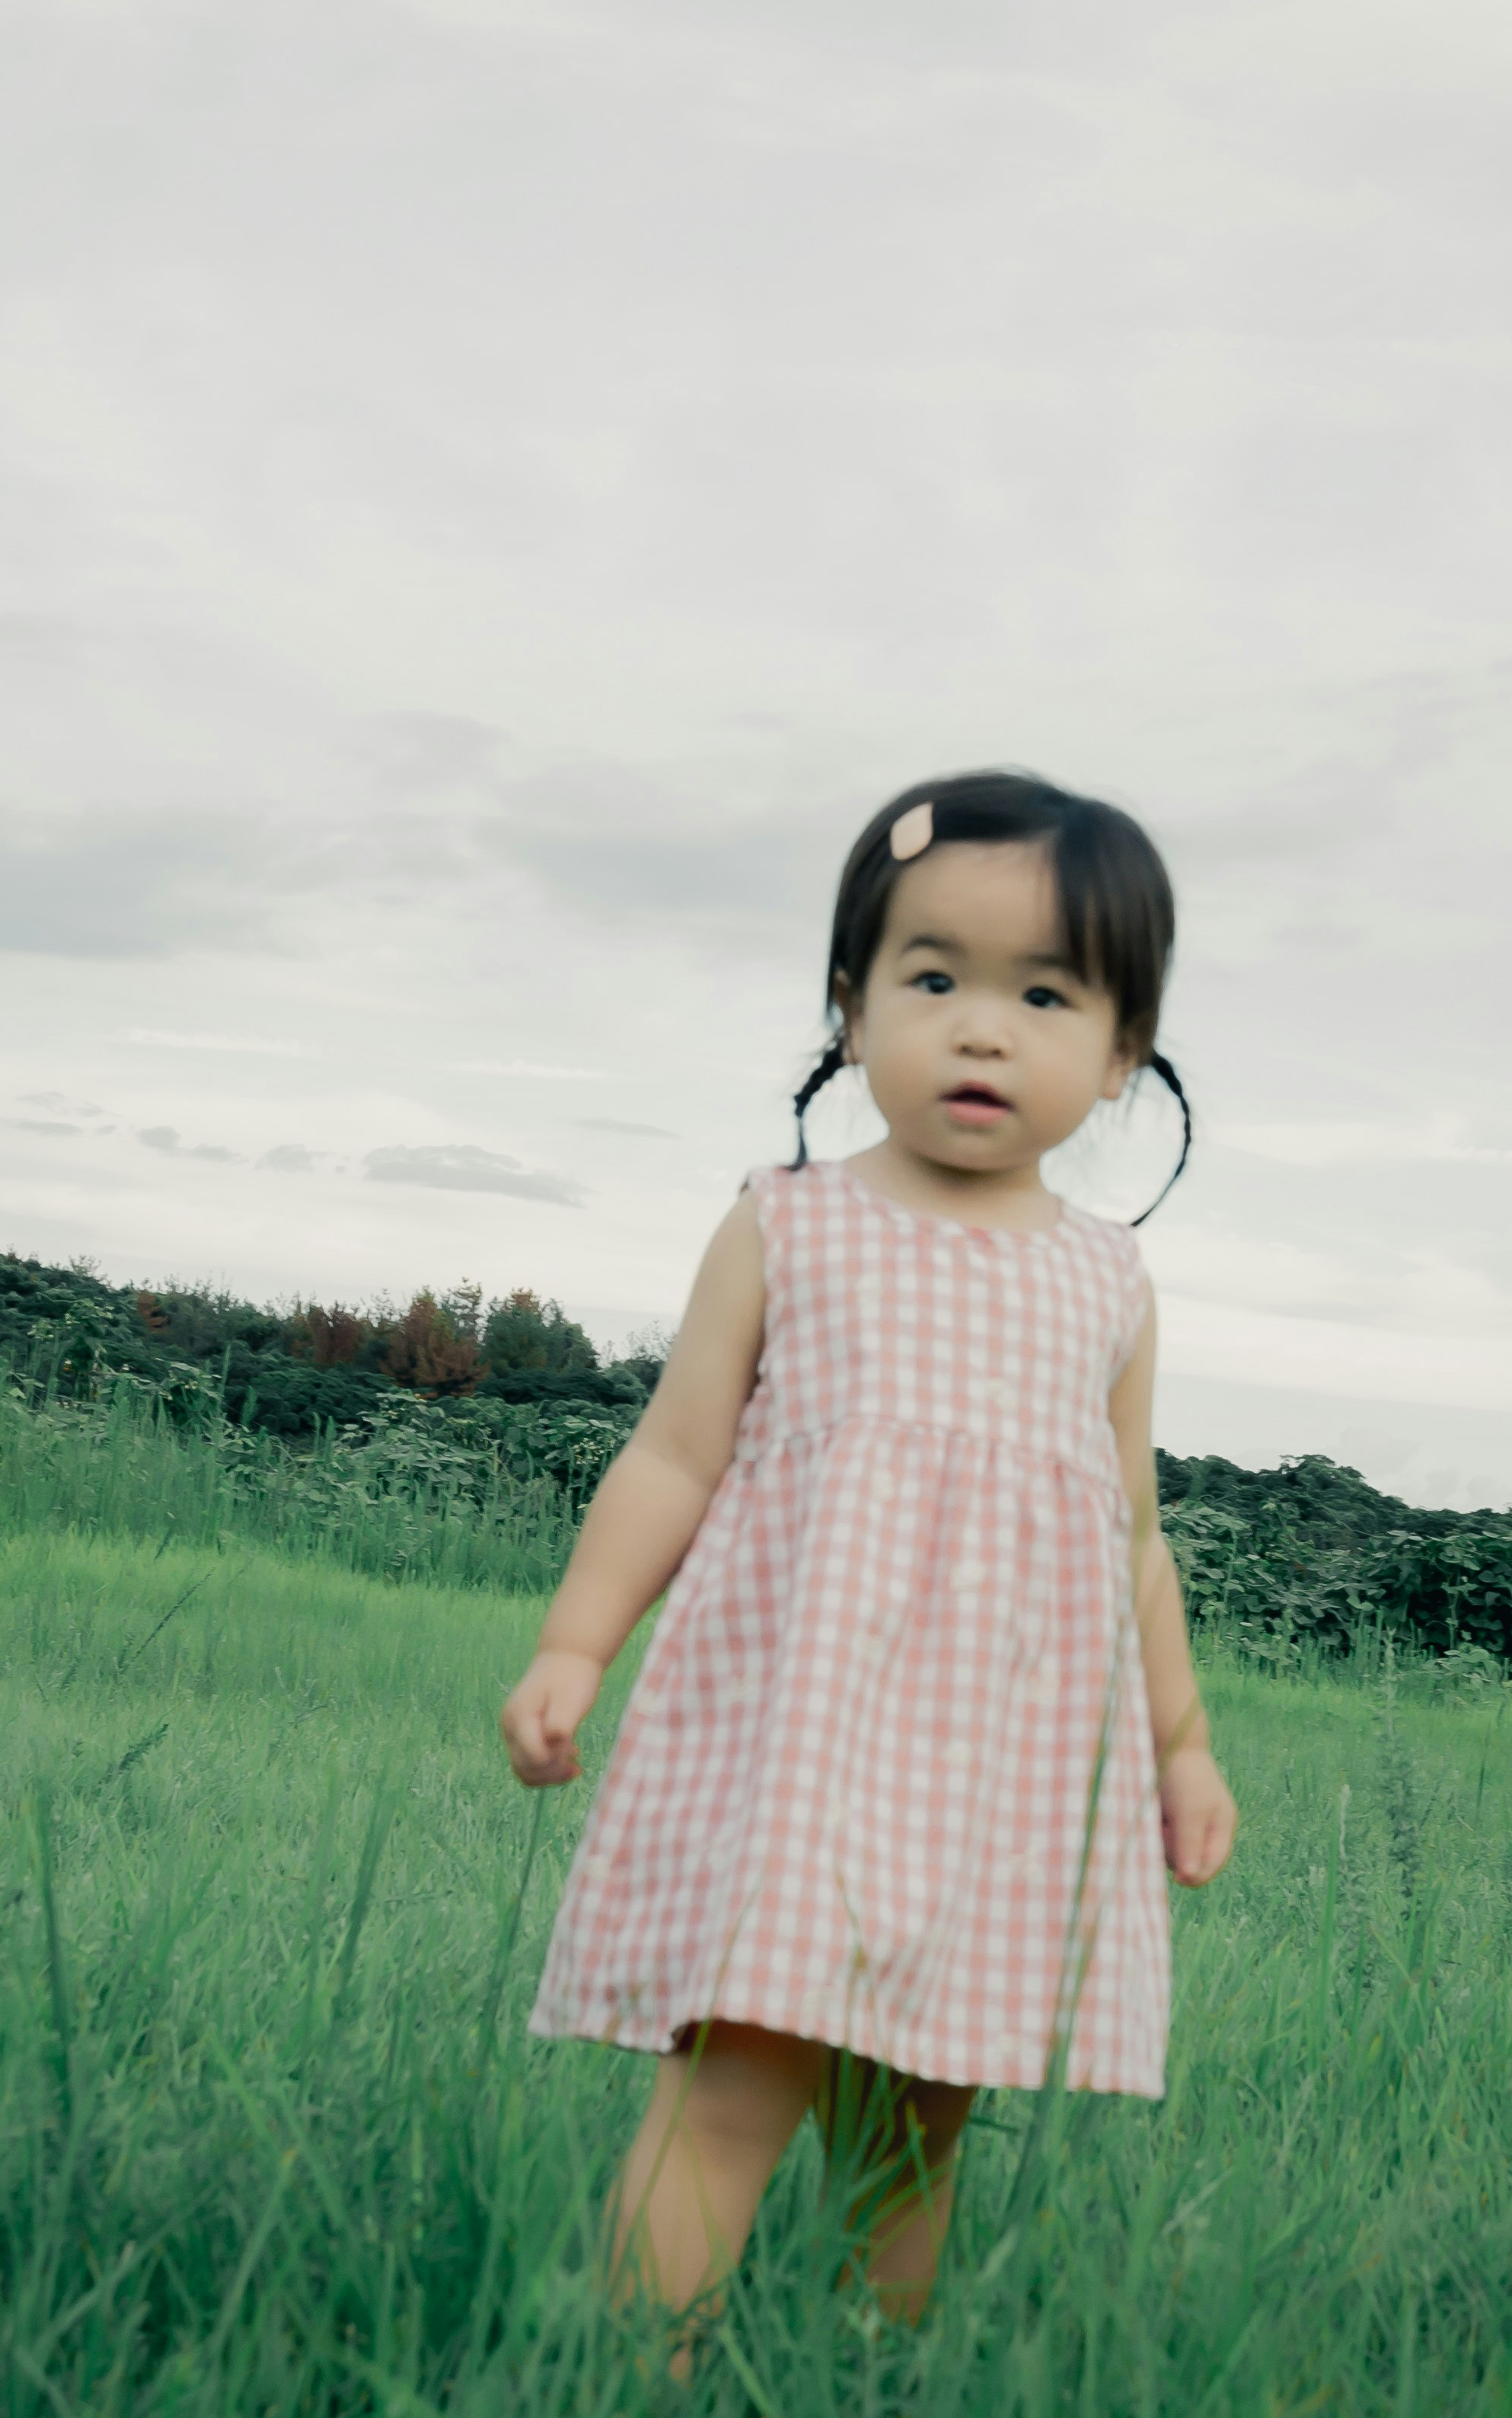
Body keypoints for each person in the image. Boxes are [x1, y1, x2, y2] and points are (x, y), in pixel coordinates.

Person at [499, 768, 1236, 2337]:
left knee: (920, 2131)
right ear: (849, 1011)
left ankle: (853, 2411)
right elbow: (677, 1454)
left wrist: (1181, 1746)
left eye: (1044, 993)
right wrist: (577, 1644)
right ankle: (627, 2399)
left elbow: (1136, 1539)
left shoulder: (1109, 1285)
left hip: (1006, 1781)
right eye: (933, 977)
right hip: (806, 1757)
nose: (983, 1027)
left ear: (1120, 1058)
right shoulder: (792, 1224)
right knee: (733, 2092)